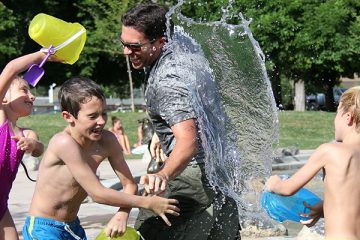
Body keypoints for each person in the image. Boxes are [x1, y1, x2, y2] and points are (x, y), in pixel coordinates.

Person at [121, 3, 240, 239]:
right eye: (124, 43)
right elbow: (194, 106)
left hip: (190, 174)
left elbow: (188, 141)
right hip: (223, 168)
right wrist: (161, 130)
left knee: (146, 234)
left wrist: (163, 175)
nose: (126, 52)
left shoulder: (167, 80)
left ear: (160, 42)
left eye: (134, 46)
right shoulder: (186, 48)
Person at [22, 77, 179, 240]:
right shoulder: (63, 143)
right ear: (68, 116)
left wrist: (122, 214)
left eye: (104, 113)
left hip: (73, 226)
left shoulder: (108, 141)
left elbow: (129, 184)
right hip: (43, 228)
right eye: (92, 116)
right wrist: (147, 203)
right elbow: (97, 193)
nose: (102, 121)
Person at [266, 86, 360, 240]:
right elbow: (351, 201)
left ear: (348, 117)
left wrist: (274, 184)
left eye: (337, 114)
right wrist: (324, 208)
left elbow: (288, 188)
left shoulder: (330, 151)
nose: (335, 120)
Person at [0, 51, 47, 240]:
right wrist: (40, 55)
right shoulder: (0, 118)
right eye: (24, 90)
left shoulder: (26, 133)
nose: (32, 96)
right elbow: (11, 69)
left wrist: (33, 145)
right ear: (4, 98)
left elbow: (39, 149)